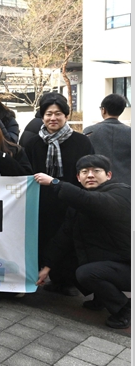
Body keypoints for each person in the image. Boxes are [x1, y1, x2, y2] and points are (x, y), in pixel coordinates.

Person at [35, 155, 130, 329]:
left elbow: (94, 203)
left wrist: (55, 183)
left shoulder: (122, 192)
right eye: (84, 172)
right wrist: (47, 267)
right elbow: (64, 236)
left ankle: (124, 309)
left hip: (128, 266)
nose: (90, 175)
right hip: (110, 264)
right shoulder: (79, 203)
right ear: (78, 178)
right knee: (67, 262)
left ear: (108, 175)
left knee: (87, 273)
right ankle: (102, 298)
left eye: (96, 171)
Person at [24, 94, 95, 295]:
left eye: (58, 114)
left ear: (66, 115)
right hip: (40, 202)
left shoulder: (81, 142)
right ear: (42, 116)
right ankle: (43, 276)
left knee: (68, 241)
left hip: (70, 200)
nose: (53, 118)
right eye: (48, 114)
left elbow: (89, 171)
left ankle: (66, 281)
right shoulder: (33, 143)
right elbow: (25, 171)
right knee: (44, 238)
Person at [82, 94, 130, 184]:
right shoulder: (130, 132)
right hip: (126, 184)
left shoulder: (89, 131)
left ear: (103, 110)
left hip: (97, 182)